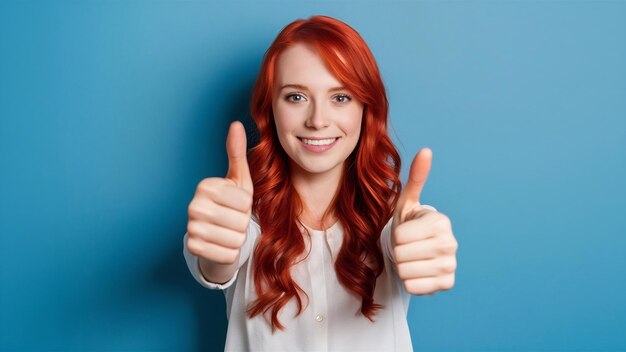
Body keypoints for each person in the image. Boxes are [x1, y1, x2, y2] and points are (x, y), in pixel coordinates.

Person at [183, 15, 458, 351]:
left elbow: (409, 235)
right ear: (270, 108)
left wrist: (426, 241)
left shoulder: (393, 221)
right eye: (296, 97)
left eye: (340, 97)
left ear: (365, 108)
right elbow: (217, 260)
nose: (317, 121)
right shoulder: (239, 216)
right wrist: (215, 248)